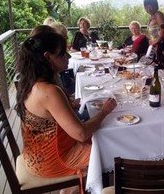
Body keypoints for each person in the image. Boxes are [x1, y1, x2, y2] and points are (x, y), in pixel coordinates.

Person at [14, 32, 117, 194]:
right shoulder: (49, 91)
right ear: (47, 57)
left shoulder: (30, 81)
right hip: (51, 161)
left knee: (101, 137)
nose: (68, 56)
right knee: (109, 148)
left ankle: (70, 189)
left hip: (34, 155)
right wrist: (104, 111)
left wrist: (71, 104)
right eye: (62, 54)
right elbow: (81, 134)